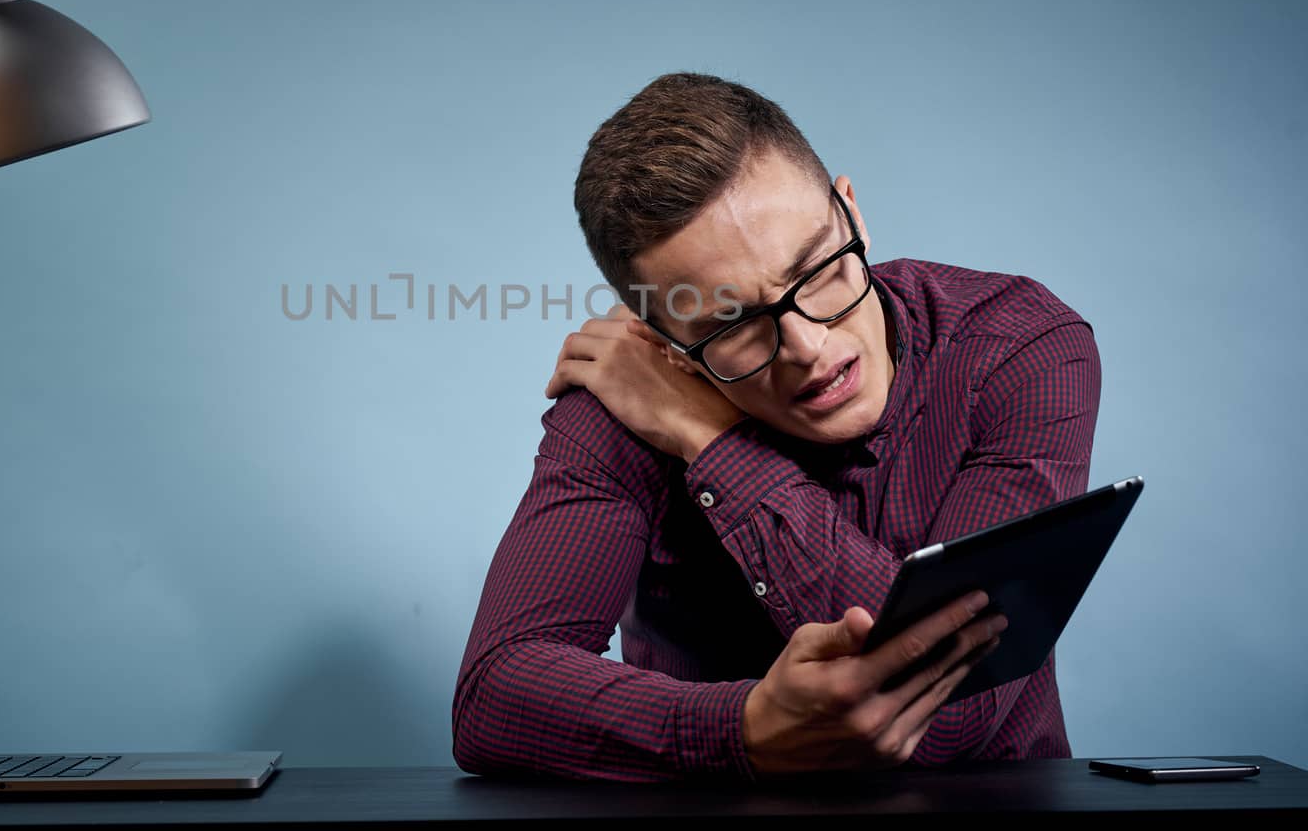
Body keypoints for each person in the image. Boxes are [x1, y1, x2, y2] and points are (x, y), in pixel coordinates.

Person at [451, 72, 1102, 781]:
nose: (807, 347)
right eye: (731, 323)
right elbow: (494, 697)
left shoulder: (1018, 346)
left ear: (850, 213)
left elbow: (951, 710)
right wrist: (745, 727)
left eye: (817, 268)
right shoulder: (619, 407)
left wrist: (712, 441)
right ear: (663, 343)